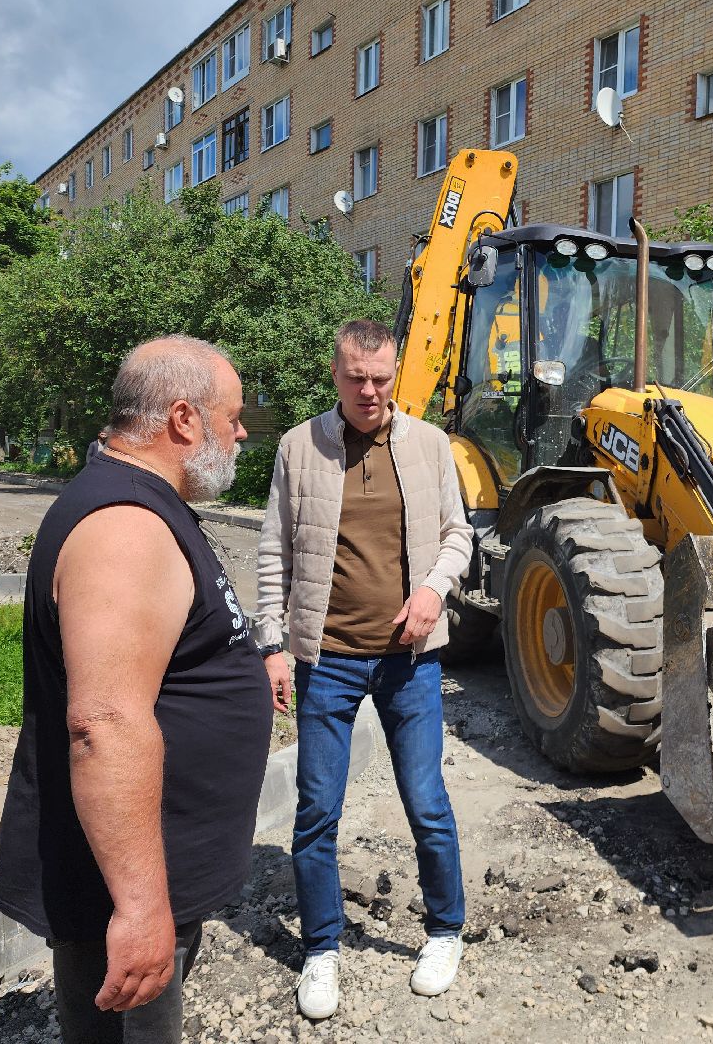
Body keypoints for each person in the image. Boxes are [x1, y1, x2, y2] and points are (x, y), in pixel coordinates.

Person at [0, 335, 273, 1043]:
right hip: (120, 891)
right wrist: (142, 909)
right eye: (233, 416)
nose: (242, 432)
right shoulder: (125, 528)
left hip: (148, 872)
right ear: (184, 419)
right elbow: (105, 725)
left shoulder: (143, 501)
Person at [253, 318, 473, 1021]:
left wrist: (434, 590)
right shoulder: (299, 446)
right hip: (327, 661)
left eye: (381, 378)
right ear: (335, 371)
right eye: (356, 377)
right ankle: (322, 949)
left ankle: (444, 931)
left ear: (395, 372)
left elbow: (458, 535)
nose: (369, 391)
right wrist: (271, 645)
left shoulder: (430, 444)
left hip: (408, 661)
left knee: (426, 801)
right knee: (317, 810)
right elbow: (271, 552)